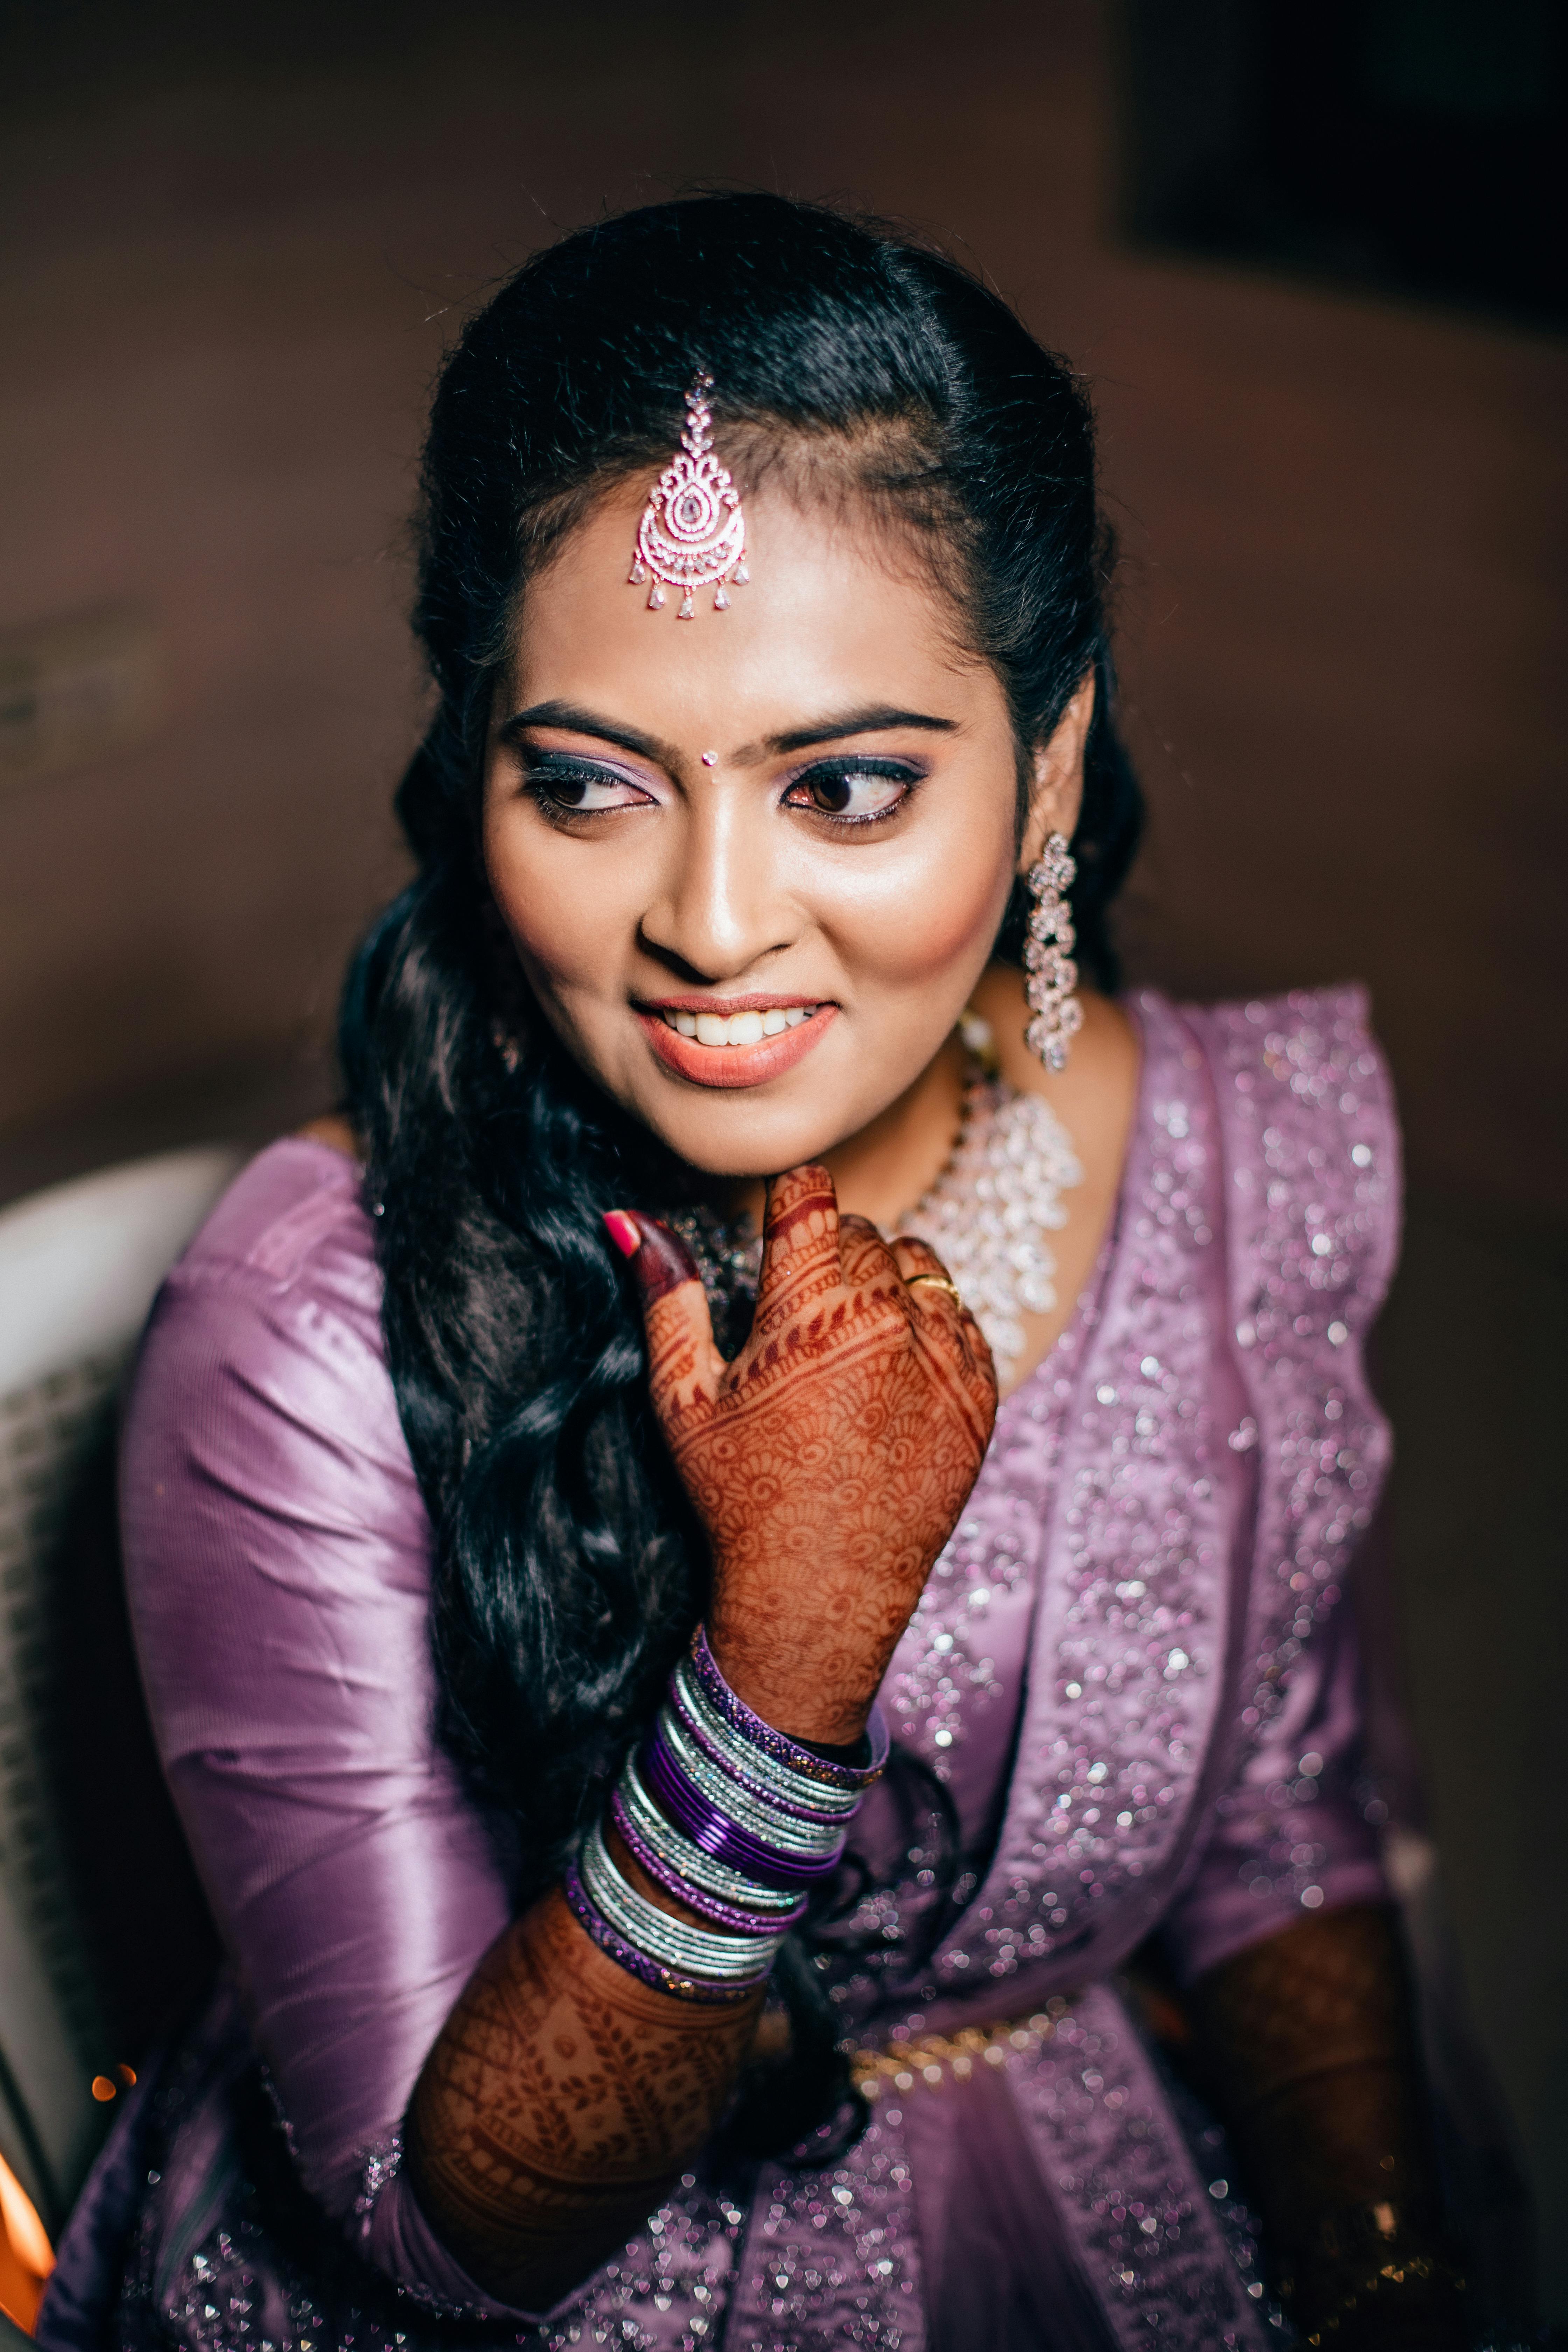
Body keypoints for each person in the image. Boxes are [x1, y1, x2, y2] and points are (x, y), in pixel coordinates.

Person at [39, 194, 1470, 2352]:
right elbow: (444, 2233)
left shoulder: (1228, 1160)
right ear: (477, 772)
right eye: (588, 786)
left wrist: (1381, 2273)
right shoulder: (315, 1321)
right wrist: (786, 1661)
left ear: (1048, 770)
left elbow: (1282, 1816)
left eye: (851, 786)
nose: (712, 924)